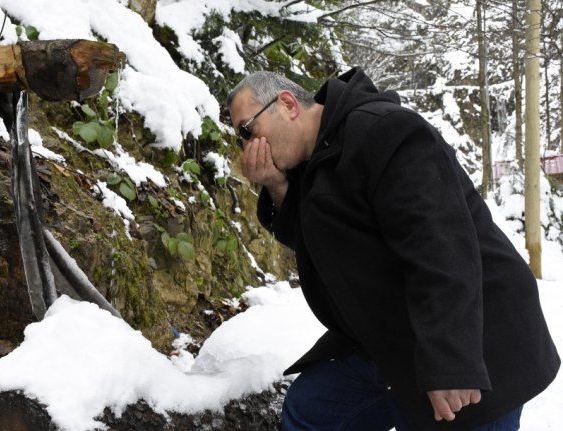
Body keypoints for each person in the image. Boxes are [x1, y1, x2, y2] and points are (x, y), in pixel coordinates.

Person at [226, 68, 560, 430]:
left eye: (247, 130)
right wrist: (277, 185)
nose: (248, 148)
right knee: (310, 412)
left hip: (476, 337)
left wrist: (451, 361)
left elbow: (442, 247)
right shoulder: (309, 163)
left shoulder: (386, 131)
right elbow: (315, 243)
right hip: (391, 343)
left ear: (288, 104)